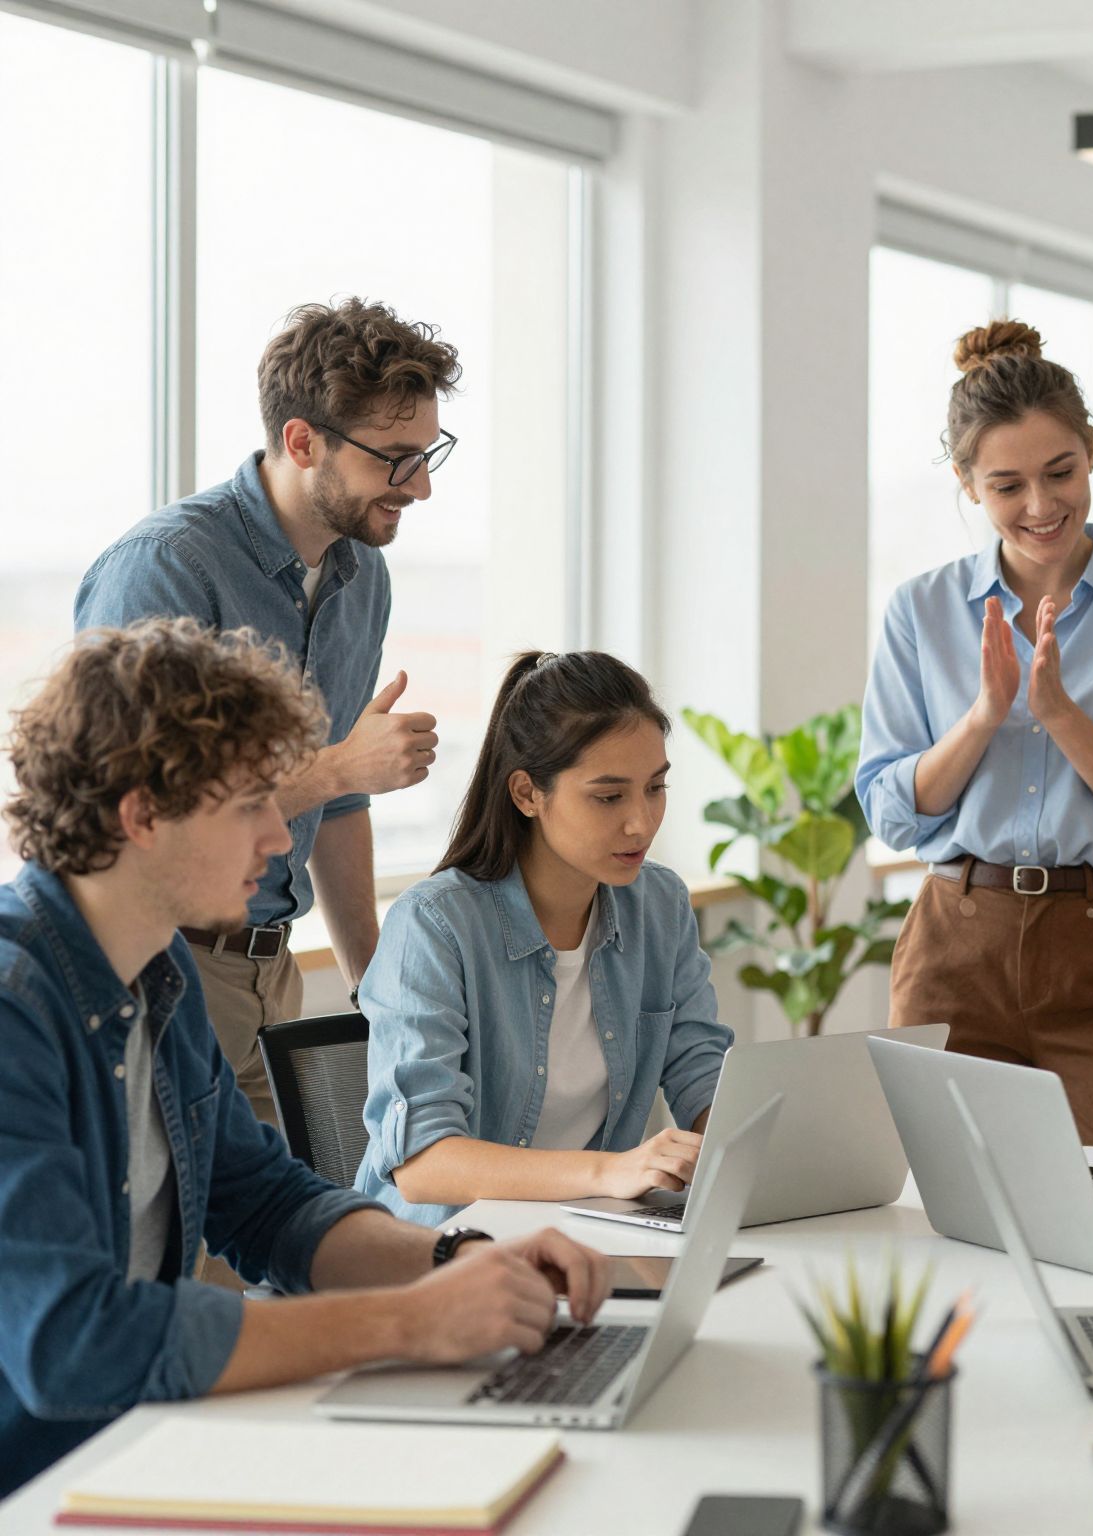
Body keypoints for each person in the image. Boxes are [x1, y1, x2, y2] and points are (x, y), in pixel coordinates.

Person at [0, 619, 611, 1497]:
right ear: (142, 816)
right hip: (42, 1485)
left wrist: (459, 1261)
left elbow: (264, 1204)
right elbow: (75, 1343)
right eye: (250, 802)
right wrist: (407, 1323)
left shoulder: (159, 968)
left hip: (134, 1449)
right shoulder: (15, 1007)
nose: (280, 837)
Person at [74, 298, 455, 1130]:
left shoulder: (362, 576)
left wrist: (372, 989)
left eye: (427, 456)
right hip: (163, 964)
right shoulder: (167, 568)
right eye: (396, 460)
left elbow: (339, 804)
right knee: (179, 1219)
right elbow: (138, 816)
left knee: (305, 1206)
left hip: (272, 972)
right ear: (302, 441)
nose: (421, 486)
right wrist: (344, 765)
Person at [858, 320, 1093, 1146]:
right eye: (1006, 485)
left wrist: (1058, 713)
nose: (1041, 506)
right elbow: (890, 811)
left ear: (1091, 451)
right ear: (966, 483)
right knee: (941, 1199)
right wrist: (984, 717)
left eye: (1061, 472)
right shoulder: (920, 609)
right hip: (954, 946)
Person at [355, 651, 731, 1227]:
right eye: (609, 797)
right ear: (527, 793)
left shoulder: (659, 904)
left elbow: (702, 1072)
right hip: (443, 1248)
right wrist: (609, 1171)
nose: (642, 821)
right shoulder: (433, 925)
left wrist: (755, 1154)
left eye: (655, 787)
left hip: (586, 1234)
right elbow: (422, 1161)